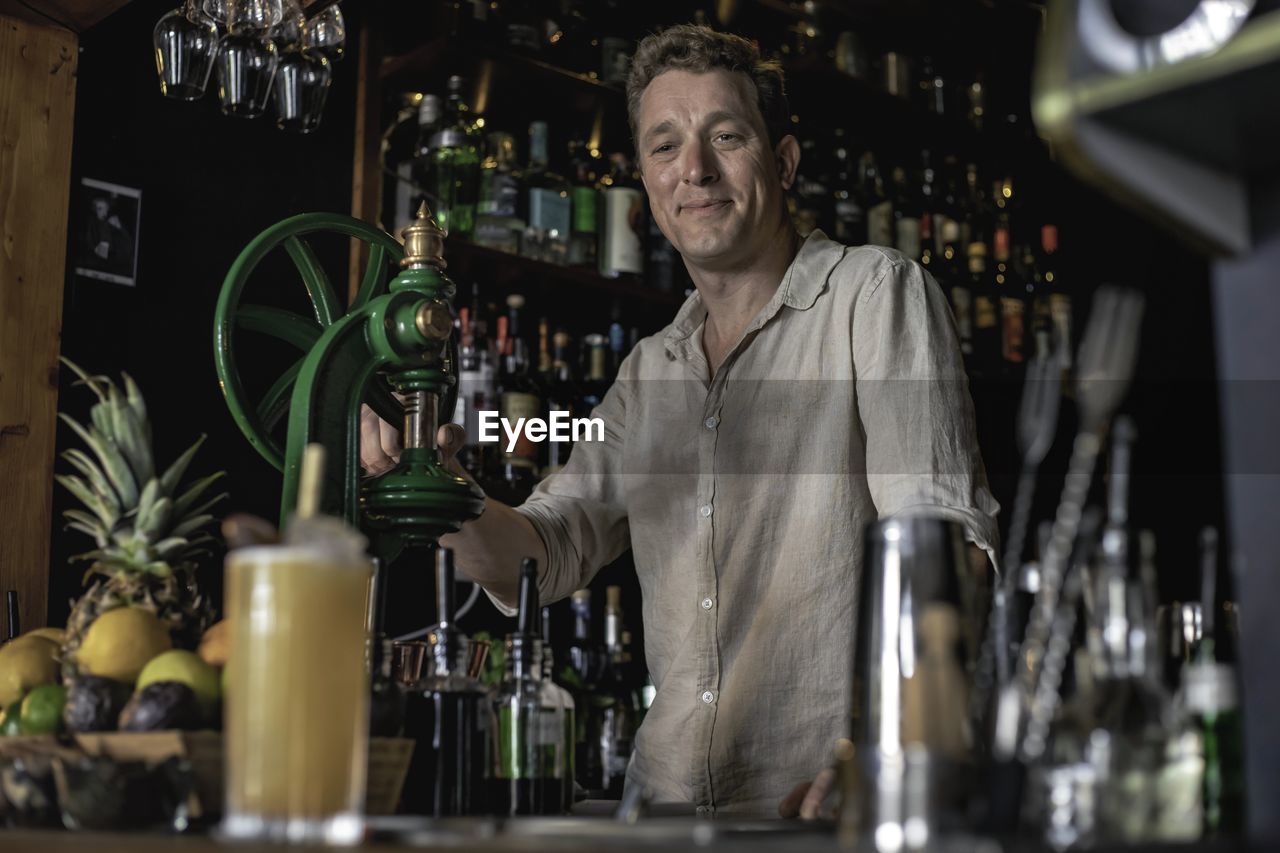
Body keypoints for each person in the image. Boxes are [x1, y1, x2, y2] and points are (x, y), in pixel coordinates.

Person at [362, 24, 999, 818]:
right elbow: (546, 550)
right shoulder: (648, 374)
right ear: (646, 185)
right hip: (660, 815)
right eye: (665, 147)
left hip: (818, 808)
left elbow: (938, 545)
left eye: (725, 137)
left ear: (785, 161)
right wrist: (432, 482)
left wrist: (889, 750)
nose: (693, 170)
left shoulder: (875, 297)